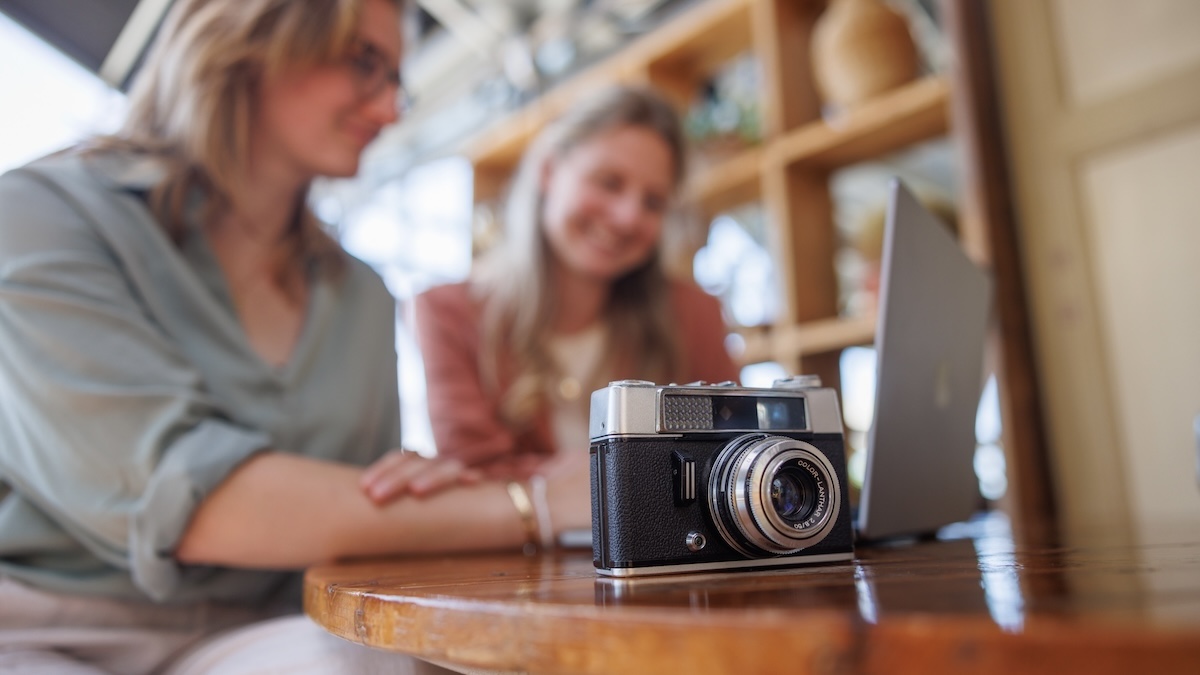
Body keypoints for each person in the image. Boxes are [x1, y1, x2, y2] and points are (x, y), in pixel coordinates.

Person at [0, 0, 587, 672]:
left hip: (267, 624)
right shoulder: (37, 215)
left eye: (399, 79)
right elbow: (195, 503)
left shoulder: (361, 296)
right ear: (243, 33)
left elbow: (368, 509)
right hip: (53, 624)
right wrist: (535, 503)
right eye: (365, 63)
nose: (391, 109)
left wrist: (404, 488)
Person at [416, 85, 739, 476]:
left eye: (653, 202)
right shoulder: (447, 313)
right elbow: (472, 482)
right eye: (609, 182)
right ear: (549, 171)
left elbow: (728, 460)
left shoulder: (694, 314)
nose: (628, 217)